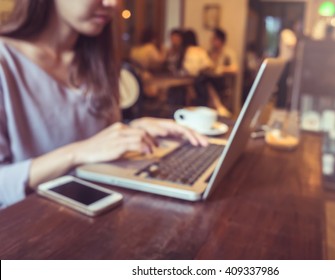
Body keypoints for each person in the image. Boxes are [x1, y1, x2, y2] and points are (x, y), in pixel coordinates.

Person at [0, 0, 207, 209]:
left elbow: (99, 143)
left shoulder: (95, 60)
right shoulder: (5, 61)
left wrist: (132, 130)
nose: (113, 3)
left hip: (95, 212)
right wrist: (76, 153)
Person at [276, 19, 300, 108]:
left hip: (289, 62)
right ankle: (280, 105)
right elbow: (291, 43)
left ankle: (283, 104)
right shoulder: (286, 32)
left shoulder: (291, 34)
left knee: (287, 85)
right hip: (284, 62)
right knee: (283, 85)